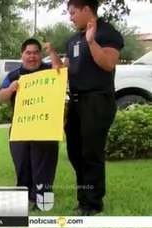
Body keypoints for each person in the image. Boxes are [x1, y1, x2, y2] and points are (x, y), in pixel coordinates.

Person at [45, 0, 124, 215]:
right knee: (75, 153)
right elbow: (64, 69)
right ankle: (84, 198)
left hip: (97, 100)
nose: (70, 17)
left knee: (91, 153)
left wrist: (91, 42)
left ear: (86, 10)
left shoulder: (108, 32)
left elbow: (108, 63)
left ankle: (93, 204)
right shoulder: (74, 39)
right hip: (77, 102)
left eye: (72, 13)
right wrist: (52, 53)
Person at [0, 38, 59, 211]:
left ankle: (42, 201)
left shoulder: (50, 71)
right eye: (28, 53)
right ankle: (24, 197)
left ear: (40, 55)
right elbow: (1, 97)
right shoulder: (13, 75)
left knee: (44, 166)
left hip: (45, 127)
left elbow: (63, 71)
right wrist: (10, 89)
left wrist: (52, 52)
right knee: (22, 164)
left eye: (36, 52)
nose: (32, 56)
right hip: (20, 129)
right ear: (22, 55)